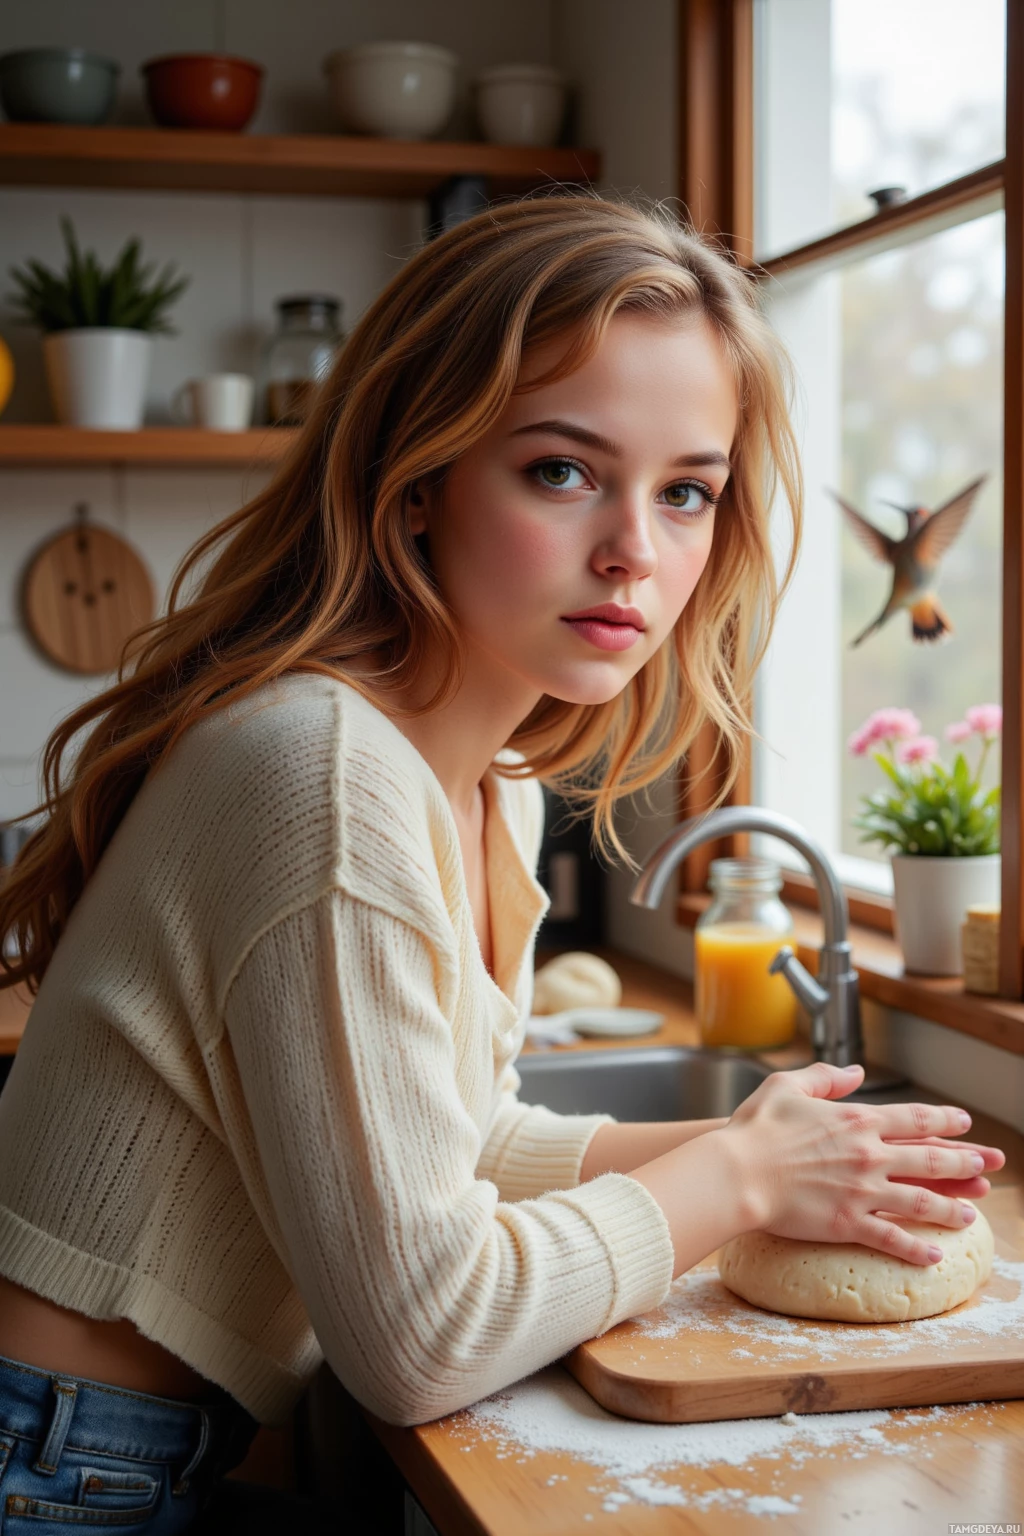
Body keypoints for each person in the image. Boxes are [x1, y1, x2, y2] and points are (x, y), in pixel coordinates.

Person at [0, 194, 1004, 1533]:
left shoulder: (483, 783)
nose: (636, 553)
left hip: (111, 1448)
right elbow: (420, 1333)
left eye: (687, 492)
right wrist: (739, 1183)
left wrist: (765, 1146)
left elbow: (455, 1144)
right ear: (417, 479)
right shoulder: (328, 777)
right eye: (561, 470)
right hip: (53, 1469)